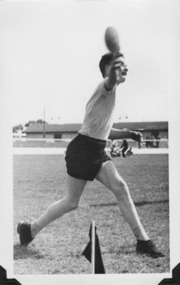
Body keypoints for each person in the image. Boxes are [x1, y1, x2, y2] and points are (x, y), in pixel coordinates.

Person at [17, 50, 164, 258]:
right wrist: (117, 67)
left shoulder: (110, 94)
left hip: (97, 148)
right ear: (109, 70)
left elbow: (105, 131)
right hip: (82, 150)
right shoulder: (105, 87)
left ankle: (143, 240)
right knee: (71, 202)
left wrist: (130, 133)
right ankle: (29, 230)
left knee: (120, 187)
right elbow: (111, 78)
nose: (125, 69)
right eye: (120, 65)